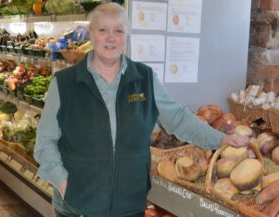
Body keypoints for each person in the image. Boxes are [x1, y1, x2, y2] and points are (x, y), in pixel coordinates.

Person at [34, 3, 249, 217]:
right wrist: (64, 184)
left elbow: (179, 119)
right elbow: (45, 143)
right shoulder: (64, 83)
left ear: (126, 35)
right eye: (103, 30)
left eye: (118, 31)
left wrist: (219, 139)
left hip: (129, 205)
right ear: (91, 34)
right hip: (77, 207)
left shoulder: (145, 79)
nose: (111, 38)